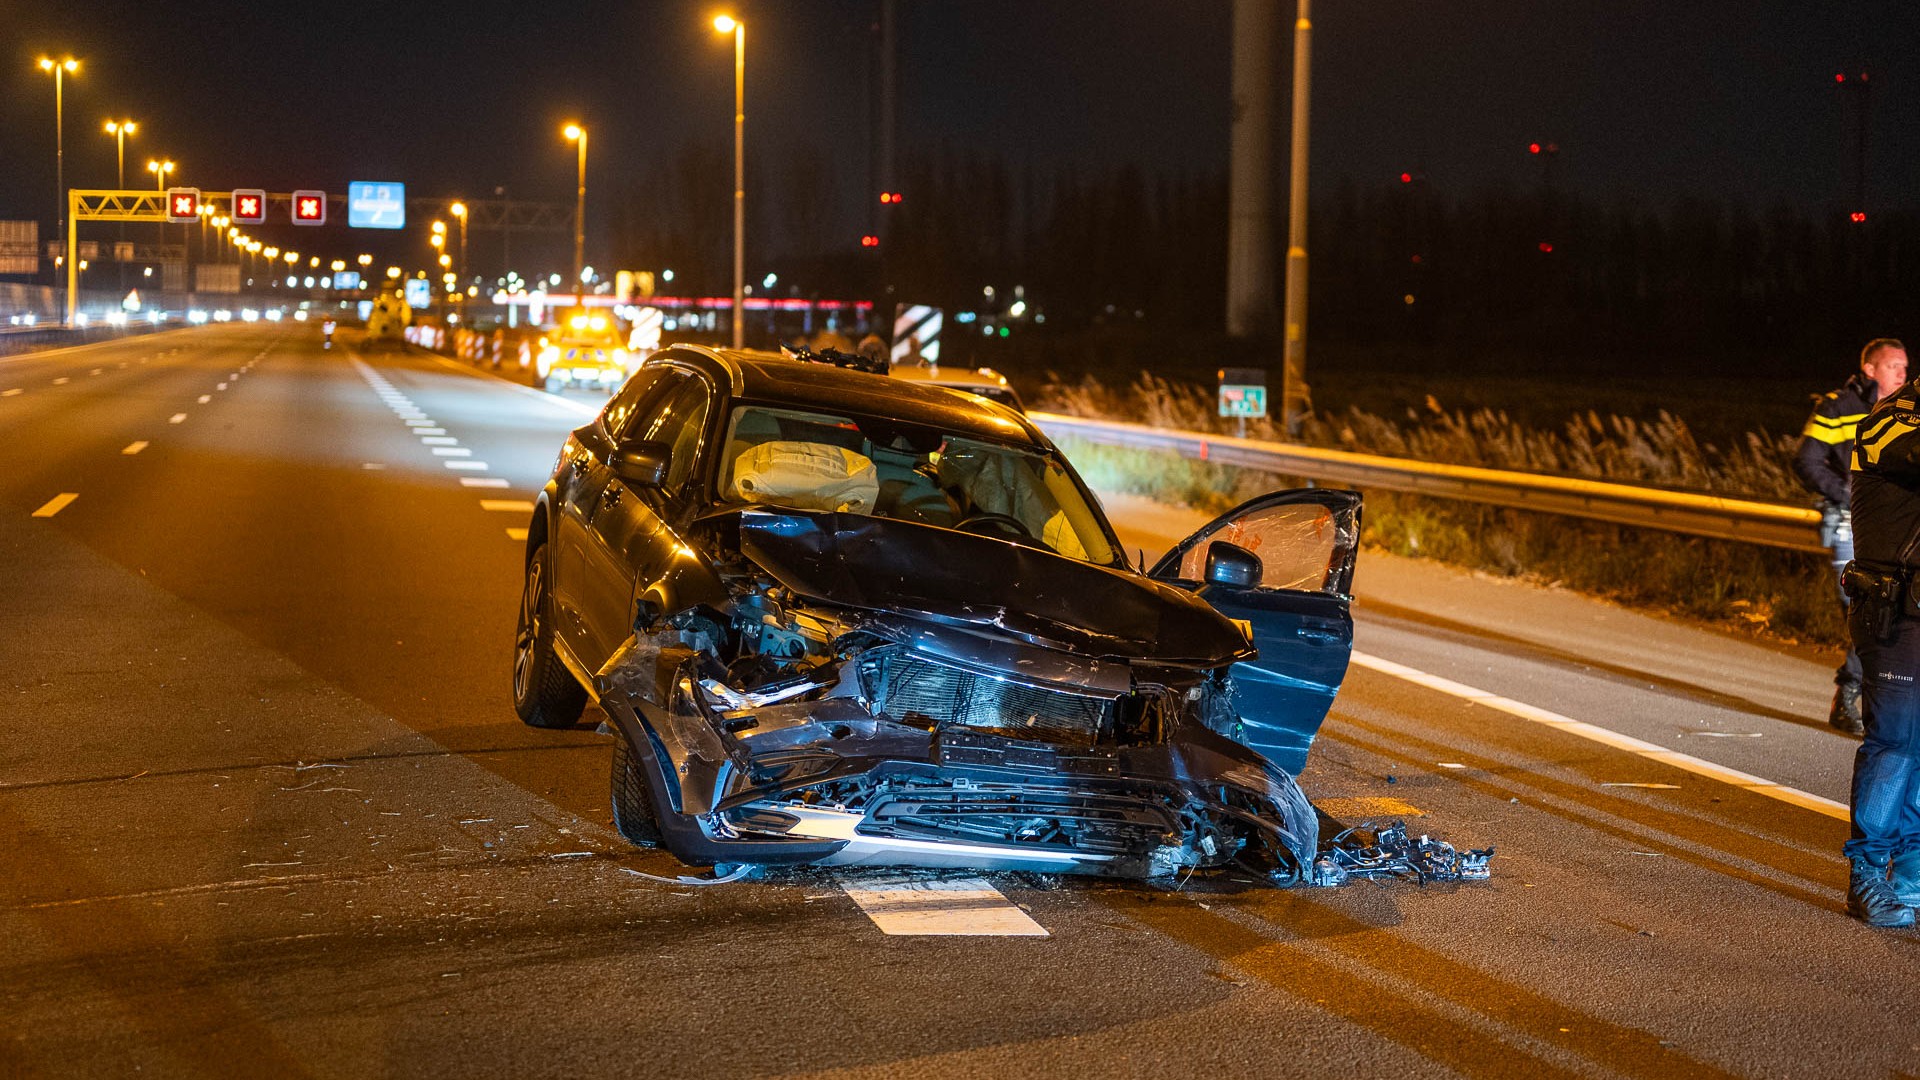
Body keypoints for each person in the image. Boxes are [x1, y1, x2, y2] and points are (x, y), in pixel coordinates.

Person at [1837, 350, 1920, 927]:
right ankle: (1867, 873)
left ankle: (1913, 876)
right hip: (1895, 613)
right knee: (1894, 743)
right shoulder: (1891, 422)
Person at [1795, 338, 1909, 734]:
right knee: (1870, 610)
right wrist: (1845, 492)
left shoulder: (1906, 413)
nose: (1902, 373)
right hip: (1847, 525)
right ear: (1870, 369)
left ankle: (1861, 697)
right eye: (1894, 366)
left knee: (1885, 613)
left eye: (1905, 367)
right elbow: (1806, 459)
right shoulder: (1839, 407)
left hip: (1892, 528)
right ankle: (1850, 694)